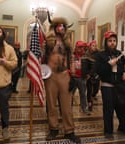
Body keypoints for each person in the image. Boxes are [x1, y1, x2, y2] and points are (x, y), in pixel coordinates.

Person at [43, 12, 81, 143]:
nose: (61, 28)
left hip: (65, 75)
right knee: (51, 104)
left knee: (66, 106)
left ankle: (69, 131)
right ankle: (53, 129)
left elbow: (71, 59)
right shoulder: (47, 42)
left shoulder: (68, 43)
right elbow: (41, 57)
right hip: (50, 76)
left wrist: (74, 75)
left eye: (63, 26)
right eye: (59, 26)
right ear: (54, 27)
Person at [94, 30, 125, 138]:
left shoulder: (119, 54)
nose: (112, 43)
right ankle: (108, 131)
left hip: (119, 86)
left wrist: (124, 73)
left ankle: (123, 127)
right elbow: (98, 70)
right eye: (110, 41)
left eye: (114, 41)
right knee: (108, 110)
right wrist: (108, 64)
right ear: (106, 42)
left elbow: (122, 67)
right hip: (107, 86)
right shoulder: (100, 55)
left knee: (122, 108)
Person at [71, 40, 91, 115]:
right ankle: (69, 108)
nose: (81, 49)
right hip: (73, 78)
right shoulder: (72, 55)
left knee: (83, 94)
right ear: (76, 47)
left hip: (82, 78)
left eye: (82, 47)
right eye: (79, 47)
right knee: (70, 94)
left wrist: (89, 73)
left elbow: (90, 65)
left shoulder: (85, 56)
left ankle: (84, 108)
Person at [84, 40, 100, 111]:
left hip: (96, 74)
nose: (95, 47)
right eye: (93, 45)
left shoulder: (99, 53)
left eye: (95, 45)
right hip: (89, 75)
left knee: (96, 89)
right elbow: (85, 65)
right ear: (90, 46)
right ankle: (89, 103)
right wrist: (87, 74)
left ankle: (94, 95)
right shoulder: (86, 54)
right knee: (89, 90)